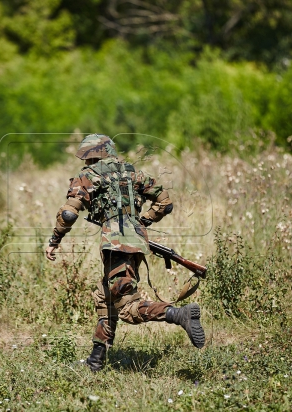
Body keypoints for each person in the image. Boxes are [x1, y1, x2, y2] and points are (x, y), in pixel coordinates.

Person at [45, 134, 205, 372]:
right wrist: (142, 221)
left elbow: (68, 213)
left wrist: (54, 240)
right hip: (137, 241)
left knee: (128, 307)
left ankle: (178, 314)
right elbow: (165, 203)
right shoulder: (134, 174)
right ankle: (96, 361)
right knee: (105, 297)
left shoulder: (87, 176)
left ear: (90, 155)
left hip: (115, 244)